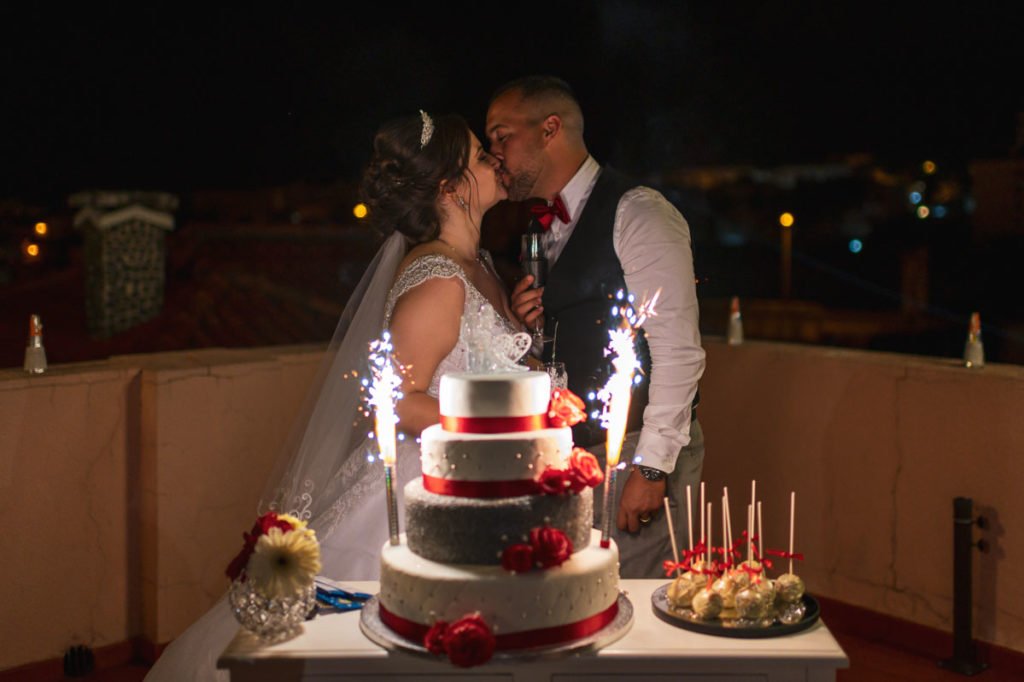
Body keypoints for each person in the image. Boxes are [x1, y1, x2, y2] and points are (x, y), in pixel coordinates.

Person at [145, 110, 514, 681]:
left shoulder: (478, 265)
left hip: (489, 477)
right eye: (480, 156)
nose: (495, 161)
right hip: (431, 486)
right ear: (449, 185)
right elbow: (395, 400)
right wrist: (500, 422)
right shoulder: (439, 279)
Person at [486, 76, 705, 578]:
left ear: (550, 129)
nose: (495, 154)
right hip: (571, 453)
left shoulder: (639, 211)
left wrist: (651, 468)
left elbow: (678, 351)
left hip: (633, 450)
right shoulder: (538, 227)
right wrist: (529, 325)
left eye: (502, 137)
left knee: (638, 611)